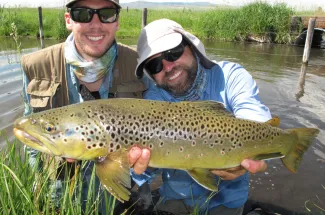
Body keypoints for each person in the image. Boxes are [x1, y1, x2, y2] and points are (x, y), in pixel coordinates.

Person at [130, 18, 271, 214]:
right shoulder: (154, 99)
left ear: (192, 47)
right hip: (177, 200)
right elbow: (143, 163)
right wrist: (141, 170)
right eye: (155, 65)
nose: (168, 67)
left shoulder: (230, 76)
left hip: (227, 201)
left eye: (173, 53)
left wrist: (252, 155)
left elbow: (256, 119)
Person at [21, 0, 146, 213]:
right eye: (82, 13)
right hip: (60, 195)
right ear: (68, 19)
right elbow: (30, 143)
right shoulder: (36, 66)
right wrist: (38, 193)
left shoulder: (141, 64)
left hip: (121, 194)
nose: (95, 23)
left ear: (117, 21)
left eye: (106, 14)